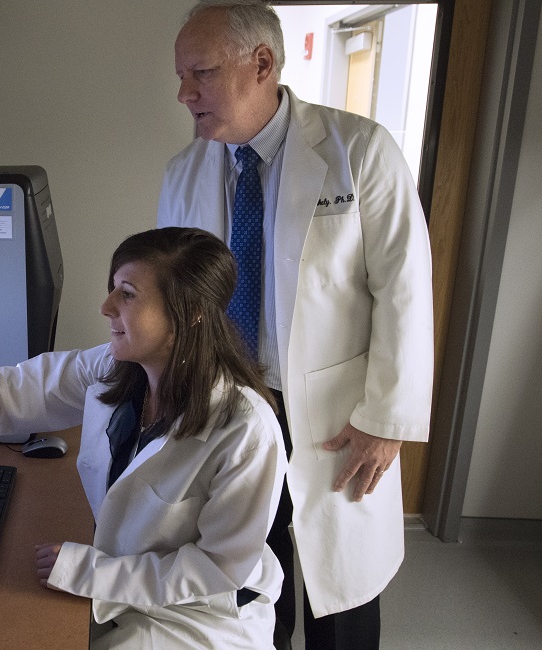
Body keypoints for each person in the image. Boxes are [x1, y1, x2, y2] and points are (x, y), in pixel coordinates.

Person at [0, 227, 287, 649]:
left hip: (199, 617)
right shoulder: (115, 369)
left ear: (191, 313)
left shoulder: (245, 429)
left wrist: (90, 572)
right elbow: (16, 391)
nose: (106, 307)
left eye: (127, 294)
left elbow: (217, 568)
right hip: (122, 592)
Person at [156, 2, 435, 649]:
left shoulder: (360, 152)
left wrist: (385, 421)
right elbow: (175, 300)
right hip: (229, 405)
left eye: (200, 72)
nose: (183, 93)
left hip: (340, 416)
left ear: (262, 64)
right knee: (249, 579)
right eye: (180, 76)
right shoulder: (184, 172)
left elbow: (404, 293)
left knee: (341, 592)